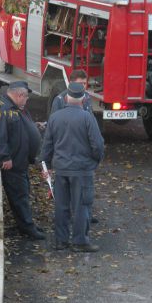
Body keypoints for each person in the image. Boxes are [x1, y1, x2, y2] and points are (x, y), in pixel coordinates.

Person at [41, 82, 104, 252]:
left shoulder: (55, 118)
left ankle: (61, 241)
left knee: (61, 206)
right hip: (82, 170)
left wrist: (45, 165)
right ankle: (80, 241)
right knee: (82, 205)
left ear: (67, 98)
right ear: (83, 99)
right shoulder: (87, 118)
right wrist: (95, 162)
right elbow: (98, 145)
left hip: (61, 169)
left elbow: (47, 145)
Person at [0, 81, 45, 240]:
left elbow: (17, 129)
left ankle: (25, 224)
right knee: (20, 196)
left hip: (21, 161)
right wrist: (4, 157)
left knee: (23, 193)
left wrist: (34, 127)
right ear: (19, 95)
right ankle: (27, 228)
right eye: (26, 97)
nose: (27, 100)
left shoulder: (15, 108)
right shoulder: (3, 110)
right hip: (13, 163)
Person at [50, 69, 99, 224]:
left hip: (83, 151)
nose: (83, 87)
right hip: (67, 150)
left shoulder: (87, 98)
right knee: (70, 191)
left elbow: (91, 121)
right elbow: (55, 127)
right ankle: (72, 219)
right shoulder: (60, 99)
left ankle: (87, 216)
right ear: (71, 83)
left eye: (85, 83)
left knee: (85, 191)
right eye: (80, 83)